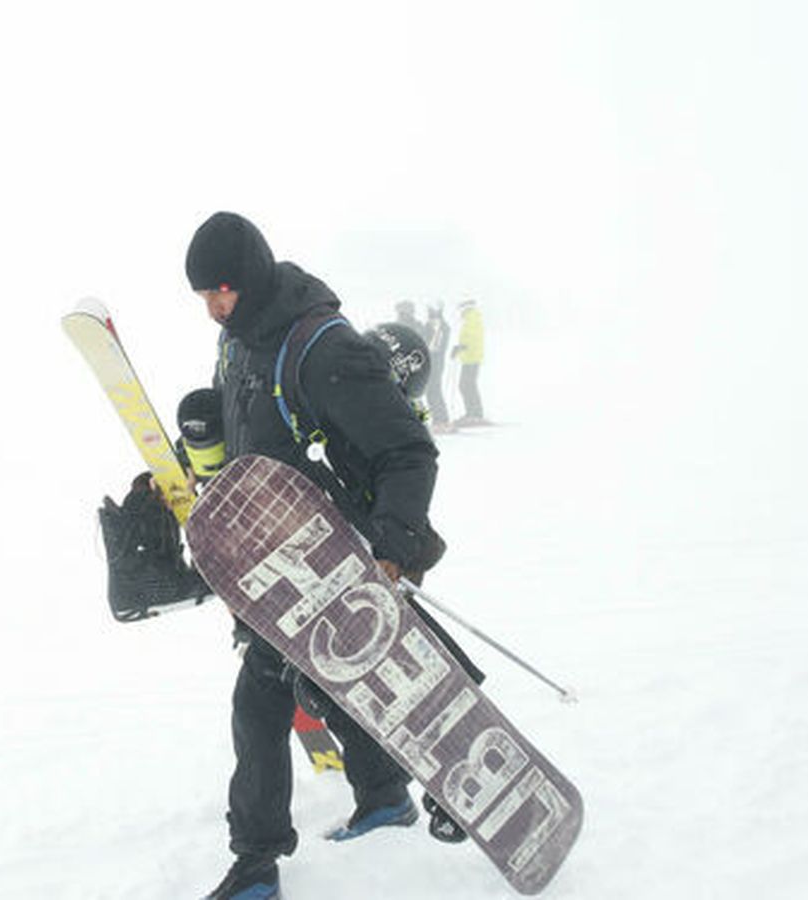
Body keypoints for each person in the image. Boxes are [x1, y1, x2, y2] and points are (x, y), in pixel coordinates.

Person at [181, 212, 480, 900]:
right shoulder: (237, 344)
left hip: (337, 554)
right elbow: (245, 435)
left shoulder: (323, 348)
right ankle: (384, 796)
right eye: (202, 297)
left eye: (219, 291)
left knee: (260, 696)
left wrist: (392, 552)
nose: (212, 308)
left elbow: (408, 452)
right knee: (319, 681)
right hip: (273, 556)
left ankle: (256, 863)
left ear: (248, 278)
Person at [450, 299, 486, 425]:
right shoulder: (470, 318)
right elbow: (469, 338)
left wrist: (462, 347)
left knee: (466, 385)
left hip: (472, 357)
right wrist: (460, 347)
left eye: (461, 308)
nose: (460, 312)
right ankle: (473, 413)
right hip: (469, 357)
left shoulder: (472, 318)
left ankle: (475, 414)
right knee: (467, 385)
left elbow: (473, 338)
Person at [422, 303, 454, 432]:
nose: (431, 318)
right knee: (433, 390)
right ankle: (440, 419)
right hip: (434, 362)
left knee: (433, 390)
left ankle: (441, 420)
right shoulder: (439, 326)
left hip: (434, 363)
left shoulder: (438, 327)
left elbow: (433, 347)